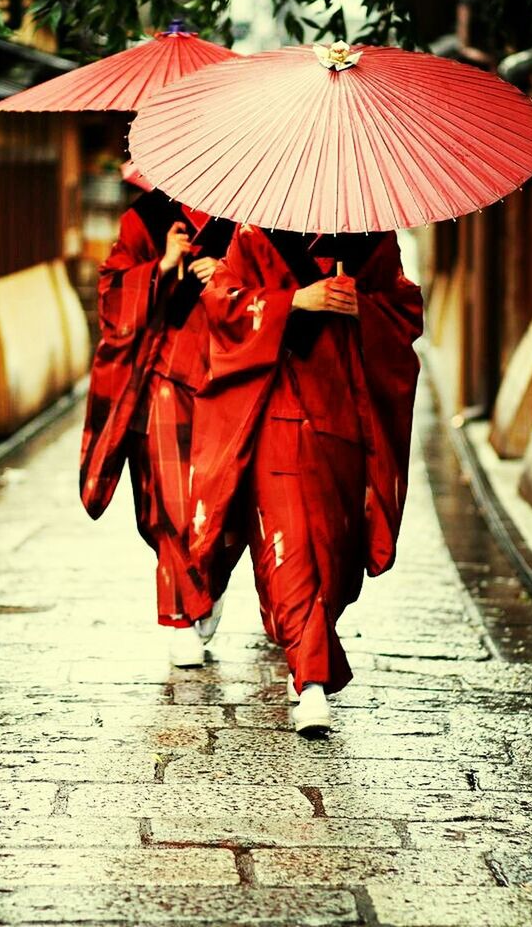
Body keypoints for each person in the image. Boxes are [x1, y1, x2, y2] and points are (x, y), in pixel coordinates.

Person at [188, 224, 423, 732]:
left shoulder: (371, 242)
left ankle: (307, 647)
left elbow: (405, 311)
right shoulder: (256, 237)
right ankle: (311, 684)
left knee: (333, 554)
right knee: (292, 543)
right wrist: (296, 300)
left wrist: (368, 309)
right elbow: (223, 303)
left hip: (343, 416)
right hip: (277, 410)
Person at [80, 186, 238, 667]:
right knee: (169, 503)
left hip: (232, 372)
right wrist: (165, 265)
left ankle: (207, 588)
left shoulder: (252, 216)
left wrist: (231, 276)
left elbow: (275, 291)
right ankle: (180, 619)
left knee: (228, 504)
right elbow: (110, 294)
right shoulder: (146, 218)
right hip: (165, 373)